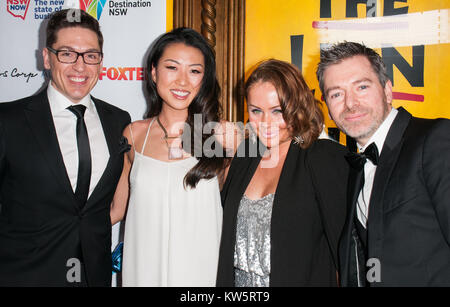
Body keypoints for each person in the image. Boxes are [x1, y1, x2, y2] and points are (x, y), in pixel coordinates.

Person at [0, 9, 131, 286]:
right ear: (47, 58)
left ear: (100, 61)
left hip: (93, 277)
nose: (80, 66)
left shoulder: (120, 121)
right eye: (67, 53)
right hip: (23, 276)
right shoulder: (7, 121)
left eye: (90, 56)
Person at [316, 41, 450, 287]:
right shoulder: (355, 167)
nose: (350, 103)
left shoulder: (435, 139)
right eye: (336, 94)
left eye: (362, 87)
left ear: (388, 90)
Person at [110, 28, 227, 287]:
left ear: (204, 79)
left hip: (202, 276)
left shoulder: (222, 138)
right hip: (142, 273)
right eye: (172, 67)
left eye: (194, 71)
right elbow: (115, 210)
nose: (183, 81)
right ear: (154, 72)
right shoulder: (133, 135)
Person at [216, 59, 349, 287]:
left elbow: (344, 254)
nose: (266, 122)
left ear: (297, 107)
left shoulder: (323, 157)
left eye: (277, 111)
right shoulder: (245, 157)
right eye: (256, 111)